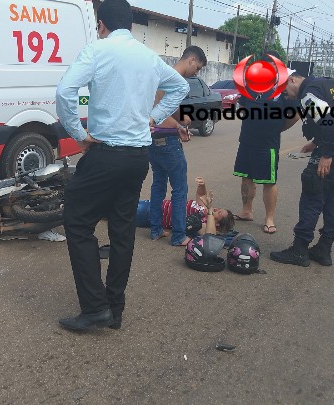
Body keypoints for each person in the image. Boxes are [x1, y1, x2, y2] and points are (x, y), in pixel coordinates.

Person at [55, 0, 189, 331]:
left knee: (77, 219)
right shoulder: (148, 57)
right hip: (137, 158)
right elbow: (180, 87)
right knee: (122, 229)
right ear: (131, 26)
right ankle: (114, 309)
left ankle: (94, 308)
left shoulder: (97, 50)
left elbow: (65, 91)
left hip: (105, 154)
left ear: (101, 25)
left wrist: (78, 133)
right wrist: (153, 119)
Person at [270, 72, 334, 267]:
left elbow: (329, 120)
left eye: (284, 89)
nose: (285, 94)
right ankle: (324, 248)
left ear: (292, 80)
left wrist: (326, 153)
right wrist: (316, 142)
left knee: (312, 196)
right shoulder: (329, 83)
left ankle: (299, 249)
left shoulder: (308, 94)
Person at [232, 53, 298, 235]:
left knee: (269, 181)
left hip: (268, 143)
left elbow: (294, 115)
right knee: (246, 176)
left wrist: (275, 128)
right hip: (246, 140)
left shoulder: (284, 89)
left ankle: (269, 218)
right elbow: (243, 108)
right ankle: (247, 210)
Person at [148, 46, 207, 246]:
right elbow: (157, 113)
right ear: (191, 60)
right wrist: (178, 127)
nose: (196, 72)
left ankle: (156, 229)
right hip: (166, 141)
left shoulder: (165, 76)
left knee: (158, 185)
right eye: (197, 67)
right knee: (180, 189)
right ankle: (179, 235)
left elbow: (167, 106)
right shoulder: (173, 78)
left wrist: (183, 119)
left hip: (154, 140)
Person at [137, 176, 234, 236]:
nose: (216, 209)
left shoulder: (204, 224)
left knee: (124, 213)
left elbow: (209, 235)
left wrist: (210, 210)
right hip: (154, 204)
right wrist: (202, 186)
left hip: (150, 214)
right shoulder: (204, 210)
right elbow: (201, 196)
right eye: (219, 209)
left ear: (217, 223)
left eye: (219, 212)